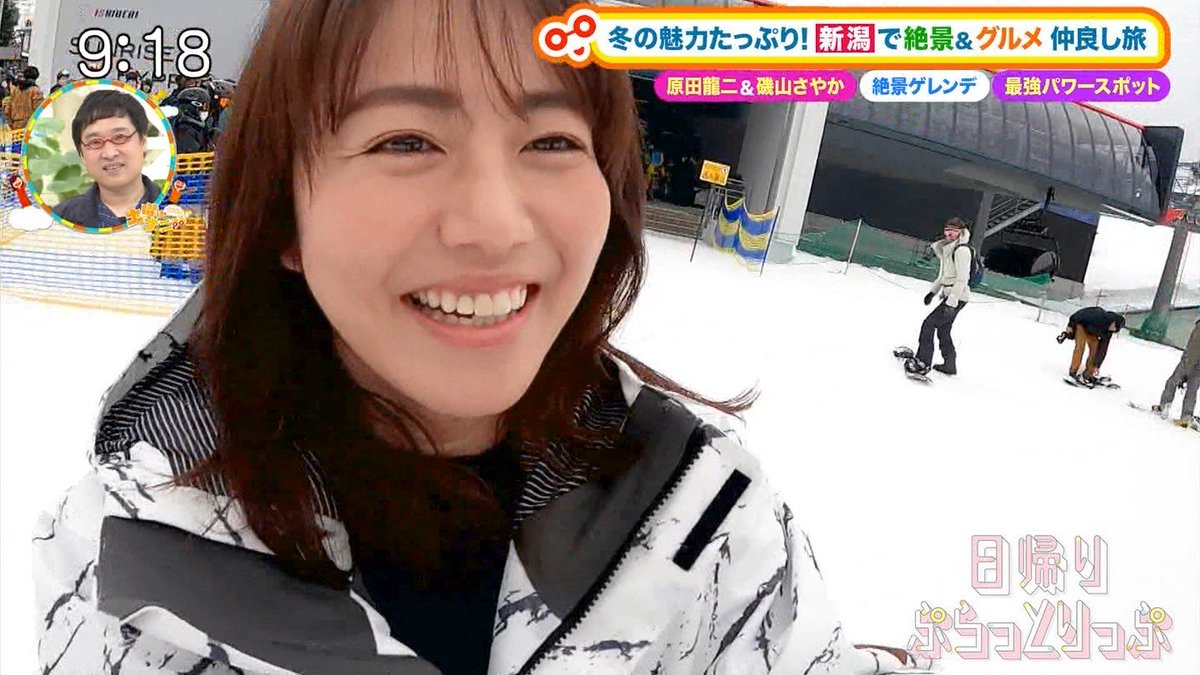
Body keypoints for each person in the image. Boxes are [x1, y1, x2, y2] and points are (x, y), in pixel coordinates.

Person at [32, 2, 934, 674]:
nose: (496, 224)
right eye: (405, 141)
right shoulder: (132, 556)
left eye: (552, 142)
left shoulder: (707, 521)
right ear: (283, 217)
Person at [51, 89, 161, 229]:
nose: (109, 153)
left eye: (120, 137)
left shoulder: (174, 209)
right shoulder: (59, 218)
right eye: (95, 142)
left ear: (143, 142)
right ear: (82, 155)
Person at [905, 217, 973, 376]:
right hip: (951, 296)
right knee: (943, 330)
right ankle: (950, 364)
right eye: (947, 230)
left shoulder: (962, 250)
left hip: (957, 297)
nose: (950, 234)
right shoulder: (948, 249)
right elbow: (943, 276)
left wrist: (952, 300)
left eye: (954, 231)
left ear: (961, 232)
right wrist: (932, 292)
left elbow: (963, 278)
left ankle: (923, 361)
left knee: (928, 324)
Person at [1056, 306, 1126, 386]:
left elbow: (1103, 349)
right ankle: (1073, 372)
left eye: (1116, 329)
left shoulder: (1108, 332)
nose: (1113, 329)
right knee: (1080, 347)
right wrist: (1070, 326)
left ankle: (1088, 373)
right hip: (1082, 325)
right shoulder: (1099, 316)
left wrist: (1097, 365)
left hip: (1092, 332)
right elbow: (1077, 315)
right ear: (1113, 321)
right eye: (1114, 326)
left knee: (1095, 350)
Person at [1152, 318, 1200, 427]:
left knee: (1173, 381)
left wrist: (1187, 367)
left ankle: (1164, 405)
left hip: (1190, 361)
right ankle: (1186, 416)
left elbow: (1193, 348)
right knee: (1192, 389)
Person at [170, 86, 214, 153]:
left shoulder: (198, 127)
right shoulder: (186, 129)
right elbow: (192, 153)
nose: (205, 111)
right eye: (204, 107)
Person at [2, 65, 43, 130]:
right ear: (36, 77)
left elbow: (8, 108)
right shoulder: (36, 91)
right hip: (30, 127)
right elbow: (39, 110)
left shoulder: (16, 90)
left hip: (15, 126)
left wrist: (10, 124)